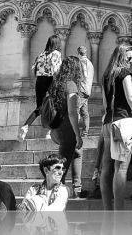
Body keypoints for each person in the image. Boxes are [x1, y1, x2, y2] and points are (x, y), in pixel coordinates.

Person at [100, 43, 132, 210]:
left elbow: (105, 103)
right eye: (129, 58)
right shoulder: (124, 73)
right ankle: (119, 211)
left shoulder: (106, 75)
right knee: (121, 167)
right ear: (121, 57)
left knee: (106, 167)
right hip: (122, 122)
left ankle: (107, 210)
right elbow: (131, 98)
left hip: (108, 122)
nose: (131, 61)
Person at [48, 56, 86, 199]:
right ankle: (54, 196)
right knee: (61, 166)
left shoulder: (56, 84)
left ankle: (77, 189)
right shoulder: (71, 85)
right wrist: (77, 134)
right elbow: (72, 112)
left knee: (77, 153)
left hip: (57, 127)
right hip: (67, 129)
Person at [19, 35, 62, 140]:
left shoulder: (41, 54)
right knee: (55, 105)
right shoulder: (56, 53)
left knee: (39, 108)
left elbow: (34, 69)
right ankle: (50, 131)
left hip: (40, 80)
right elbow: (55, 69)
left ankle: (25, 126)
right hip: (51, 80)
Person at [77, 46, 94, 137]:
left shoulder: (81, 62)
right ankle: (85, 132)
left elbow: (84, 74)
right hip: (88, 89)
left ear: (78, 53)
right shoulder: (90, 63)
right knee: (84, 111)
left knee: (76, 110)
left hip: (81, 89)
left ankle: (74, 131)